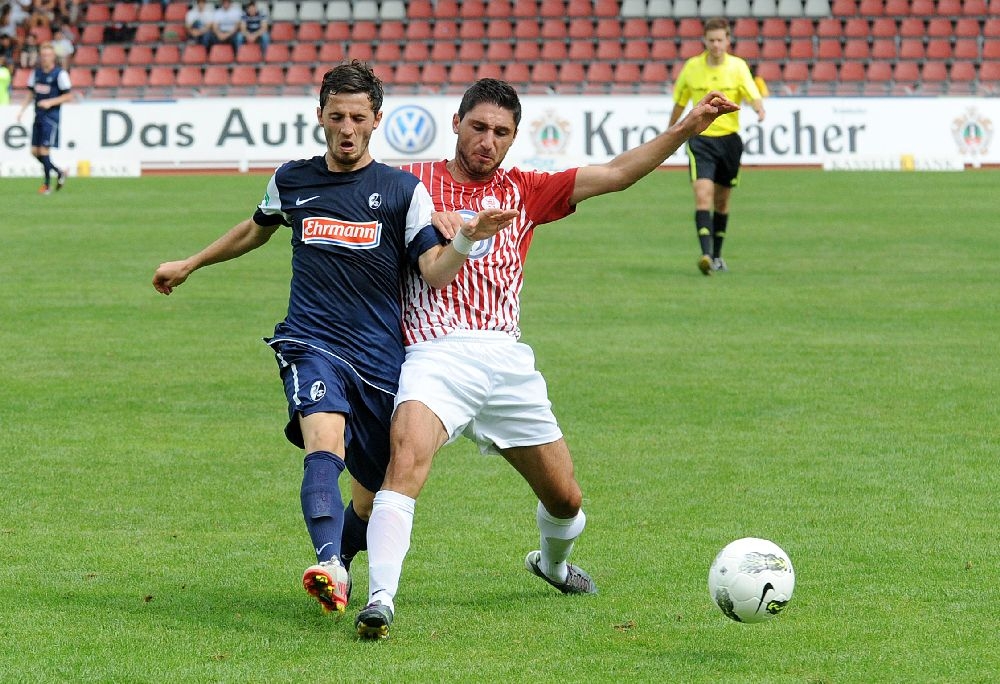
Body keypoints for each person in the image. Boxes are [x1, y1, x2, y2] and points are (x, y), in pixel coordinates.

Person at [349, 79, 739, 639]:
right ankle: (379, 601)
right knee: (405, 463)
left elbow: (617, 173)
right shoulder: (408, 185)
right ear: (456, 123)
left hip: (507, 361)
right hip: (434, 355)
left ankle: (552, 565)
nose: (487, 141)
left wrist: (687, 128)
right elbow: (350, 199)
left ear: (513, 138)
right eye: (478, 127)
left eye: (500, 132)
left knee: (566, 499)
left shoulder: (525, 190)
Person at [151, 62, 516, 618]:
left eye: (358, 118)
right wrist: (191, 263)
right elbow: (255, 229)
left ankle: (340, 561)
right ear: (320, 115)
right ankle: (328, 562)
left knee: (369, 498)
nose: (347, 128)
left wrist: (465, 239)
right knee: (324, 442)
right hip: (311, 341)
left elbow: (434, 272)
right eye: (338, 116)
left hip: (379, 361)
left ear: (377, 121)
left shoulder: (402, 191)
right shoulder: (292, 180)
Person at [669, 17, 765, 276]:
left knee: (722, 202)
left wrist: (759, 109)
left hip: (729, 141)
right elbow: (680, 102)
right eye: (711, 40)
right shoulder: (692, 67)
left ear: (728, 41)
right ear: (704, 41)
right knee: (703, 195)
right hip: (700, 139)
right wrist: (671, 131)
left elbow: (752, 94)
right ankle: (705, 255)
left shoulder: (738, 66)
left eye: (720, 40)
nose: (715, 45)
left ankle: (717, 255)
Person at [17, 41, 71, 195]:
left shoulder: (60, 74)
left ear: (53, 56)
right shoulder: (36, 73)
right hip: (38, 116)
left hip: (51, 118)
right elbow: (30, 93)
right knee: (35, 152)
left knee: (44, 150)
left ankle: (46, 186)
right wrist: (22, 110)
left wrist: (50, 102)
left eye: (48, 55)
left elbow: (68, 96)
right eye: (43, 55)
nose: (45, 58)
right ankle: (59, 172)